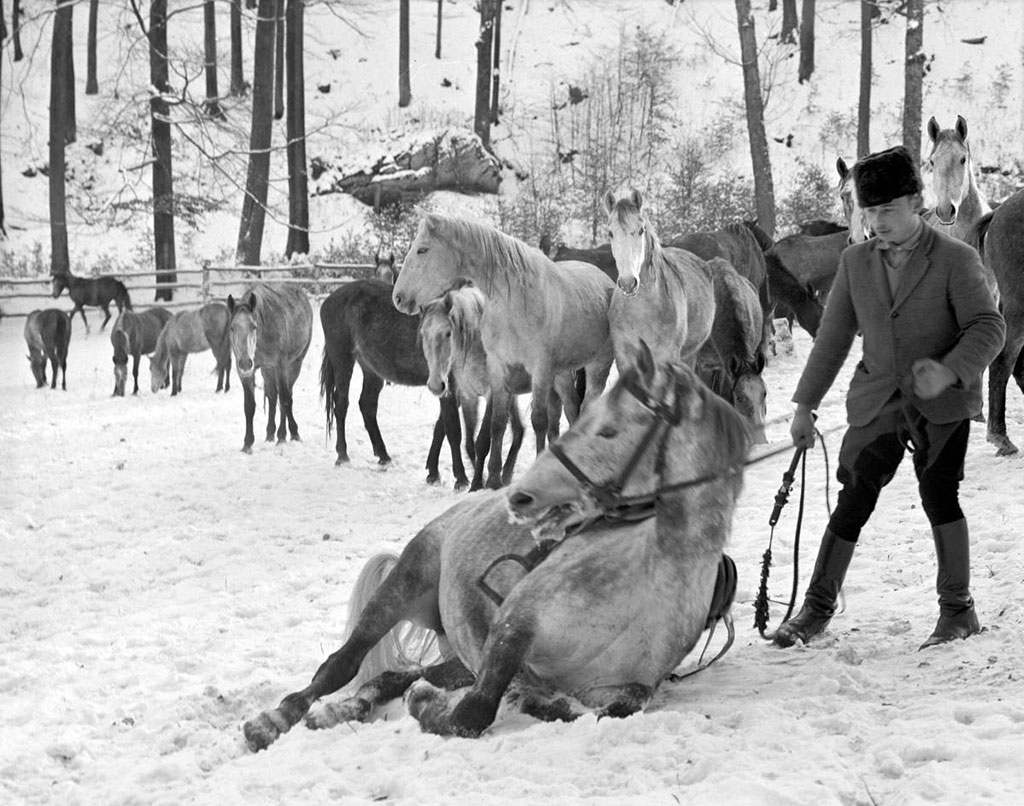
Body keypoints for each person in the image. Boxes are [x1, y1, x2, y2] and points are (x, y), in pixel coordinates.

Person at [773, 144, 1005, 651]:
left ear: (917, 202)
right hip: (877, 401)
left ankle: (958, 611)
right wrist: (804, 406)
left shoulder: (956, 259)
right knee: (853, 498)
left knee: (940, 496)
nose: (876, 221)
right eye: (869, 211)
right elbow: (833, 338)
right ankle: (816, 608)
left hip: (941, 403)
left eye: (887, 210)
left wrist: (949, 371)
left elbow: (990, 327)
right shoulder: (854, 262)